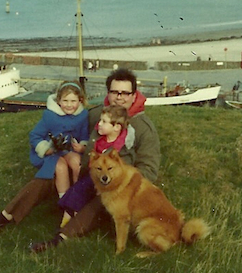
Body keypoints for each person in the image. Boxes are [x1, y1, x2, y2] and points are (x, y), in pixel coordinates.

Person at [29, 68, 160, 253]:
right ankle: (1, 220)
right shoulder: (96, 115)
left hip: (115, 185)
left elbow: (149, 169)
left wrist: (120, 185)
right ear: (108, 93)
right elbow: (72, 129)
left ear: (134, 95)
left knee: (99, 200)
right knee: (49, 173)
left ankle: (60, 239)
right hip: (85, 172)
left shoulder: (143, 127)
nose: (119, 97)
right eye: (115, 92)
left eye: (125, 93)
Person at [0, 81, 88, 236]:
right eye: (65, 101)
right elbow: (36, 136)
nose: (69, 105)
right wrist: (46, 149)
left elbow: (85, 136)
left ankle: (73, 205)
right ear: (58, 101)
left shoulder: (83, 115)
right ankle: (0, 220)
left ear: (80, 100)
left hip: (72, 152)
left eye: (73, 101)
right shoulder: (51, 115)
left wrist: (82, 147)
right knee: (52, 172)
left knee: (74, 163)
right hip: (54, 153)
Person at [57, 104, 132, 225]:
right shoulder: (100, 140)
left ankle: (72, 221)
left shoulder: (120, 146)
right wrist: (83, 149)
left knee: (80, 191)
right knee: (77, 190)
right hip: (92, 174)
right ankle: (66, 218)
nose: (99, 124)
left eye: (104, 121)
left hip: (104, 179)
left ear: (117, 127)